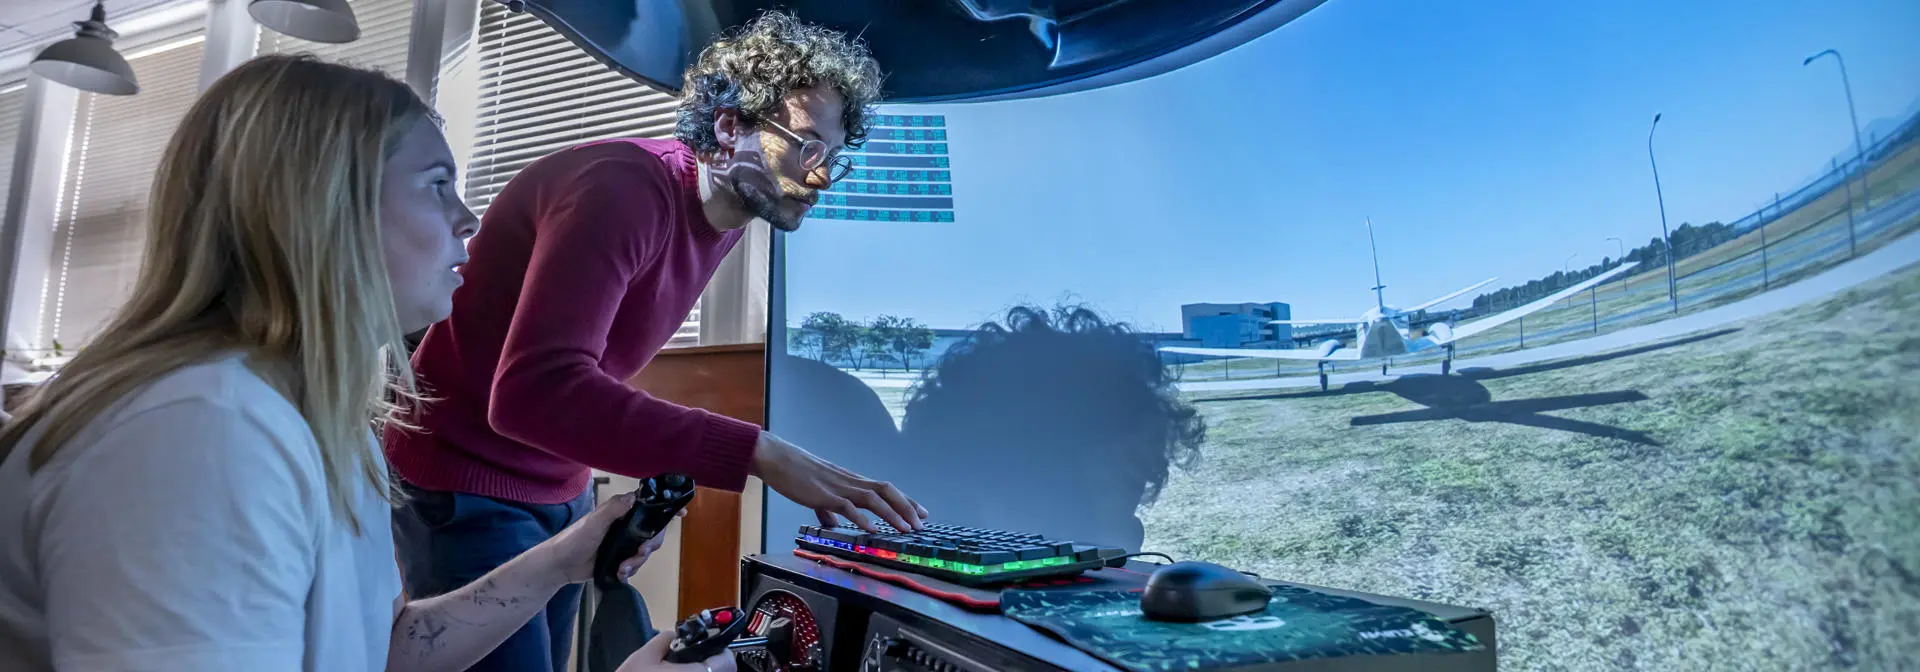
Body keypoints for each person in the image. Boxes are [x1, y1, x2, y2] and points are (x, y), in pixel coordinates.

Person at [0, 54, 728, 672]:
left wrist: (560, 560)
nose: (468, 218)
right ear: (325, 206)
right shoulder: (202, 432)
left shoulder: (315, 420)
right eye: (437, 184)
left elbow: (380, 649)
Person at [385, 12, 926, 670]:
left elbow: (586, 371)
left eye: (832, 160)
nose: (818, 178)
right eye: (806, 147)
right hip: (465, 480)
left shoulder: (726, 214)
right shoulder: (623, 189)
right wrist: (759, 452)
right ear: (730, 128)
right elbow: (531, 393)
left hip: (556, 485)